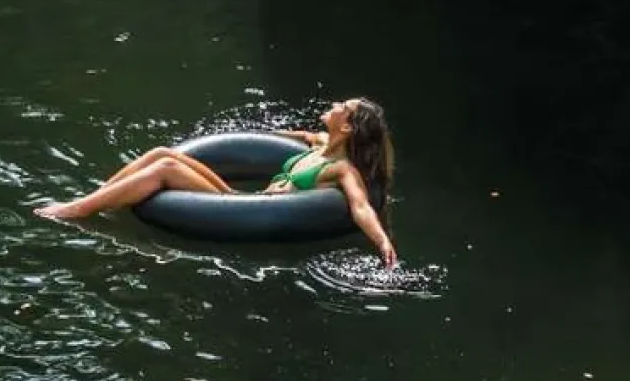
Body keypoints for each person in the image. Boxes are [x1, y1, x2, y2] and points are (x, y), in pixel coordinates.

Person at [35, 98, 399, 266]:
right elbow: (301, 136)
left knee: (165, 169)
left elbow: (360, 205)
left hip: (244, 204)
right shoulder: (321, 144)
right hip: (245, 196)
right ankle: (102, 195)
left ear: (348, 127)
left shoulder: (342, 169)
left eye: (342, 108)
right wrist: (271, 132)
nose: (334, 105)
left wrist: (383, 242)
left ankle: (76, 211)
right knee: (163, 152)